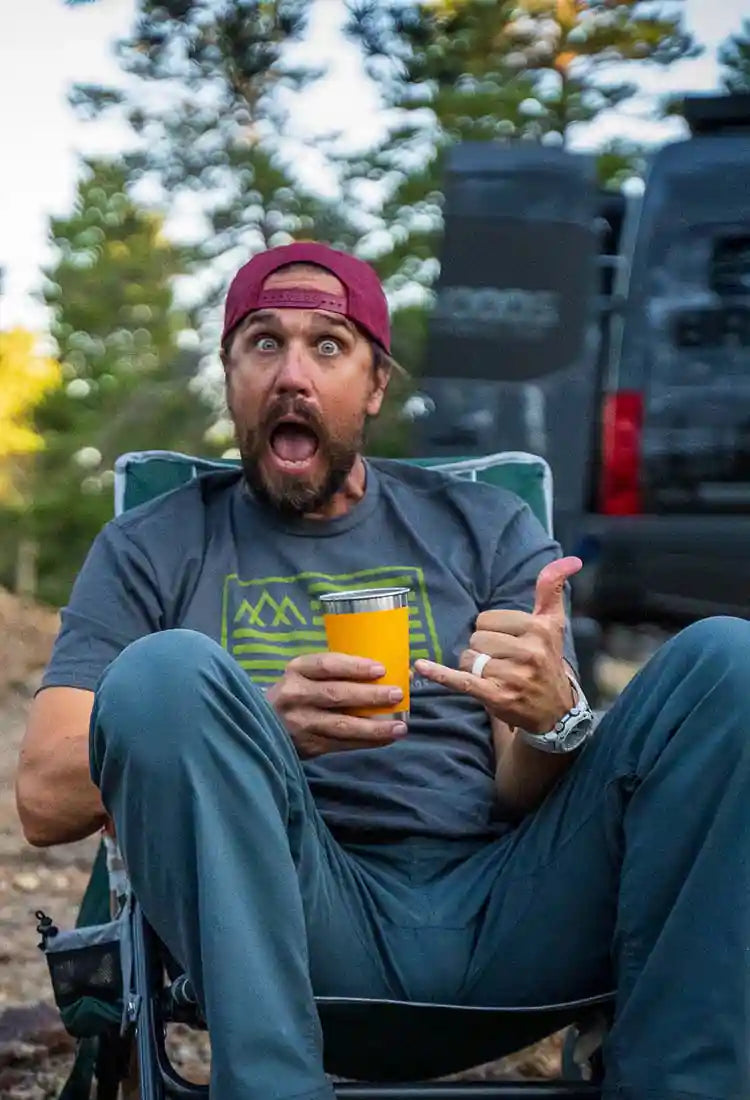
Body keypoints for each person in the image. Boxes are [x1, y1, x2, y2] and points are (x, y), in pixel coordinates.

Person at [15, 242, 750, 1100]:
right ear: (229, 375)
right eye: (262, 343)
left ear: (374, 386)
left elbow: (519, 786)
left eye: (328, 346)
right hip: (291, 920)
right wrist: (256, 733)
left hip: (509, 910)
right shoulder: (154, 546)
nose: (293, 373)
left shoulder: (484, 524)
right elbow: (43, 798)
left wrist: (552, 722)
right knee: (167, 674)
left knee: (727, 662)